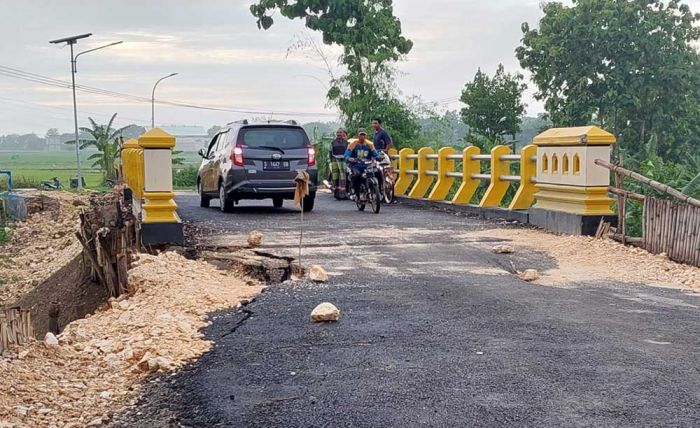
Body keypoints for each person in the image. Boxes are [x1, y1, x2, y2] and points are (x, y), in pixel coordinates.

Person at [345, 129, 379, 199]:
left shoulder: (370, 144)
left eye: (364, 135)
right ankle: (354, 190)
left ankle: (379, 190)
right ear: (358, 135)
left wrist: (378, 157)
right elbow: (347, 155)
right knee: (356, 174)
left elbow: (375, 154)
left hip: (367, 166)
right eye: (361, 135)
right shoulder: (353, 144)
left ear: (366, 136)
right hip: (355, 165)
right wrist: (349, 158)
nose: (362, 137)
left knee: (377, 172)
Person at [329, 128, 349, 199]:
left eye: (340, 132)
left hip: (343, 160)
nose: (339, 134)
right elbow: (330, 151)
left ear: (343, 133)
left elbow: (348, 152)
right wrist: (331, 160)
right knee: (335, 177)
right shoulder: (333, 142)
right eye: (338, 132)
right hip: (334, 160)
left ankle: (343, 194)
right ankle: (336, 193)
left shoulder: (346, 143)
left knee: (342, 177)